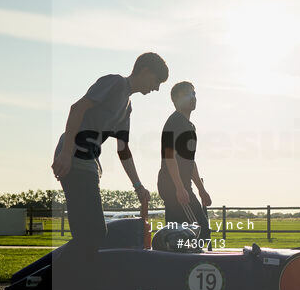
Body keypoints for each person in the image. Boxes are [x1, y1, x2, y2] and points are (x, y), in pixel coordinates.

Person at [52, 52, 168, 258]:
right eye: (156, 81)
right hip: (74, 157)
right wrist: (66, 152)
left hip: (89, 162)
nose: (157, 87)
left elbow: (123, 150)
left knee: (89, 236)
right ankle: (53, 280)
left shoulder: (127, 107)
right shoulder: (114, 83)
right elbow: (77, 108)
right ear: (145, 71)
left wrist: (138, 187)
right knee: (93, 234)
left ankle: (69, 284)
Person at [157, 81, 212, 245]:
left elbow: (190, 161)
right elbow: (169, 156)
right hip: (174, 186)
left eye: (194, 94)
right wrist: (179, 188)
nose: (193, 97)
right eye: (188, 94)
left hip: (183, 185)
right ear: (176, 99)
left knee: (180, 236)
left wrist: (202, 190)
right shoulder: (175, 122)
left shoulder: (188, 125)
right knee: (198, 231)